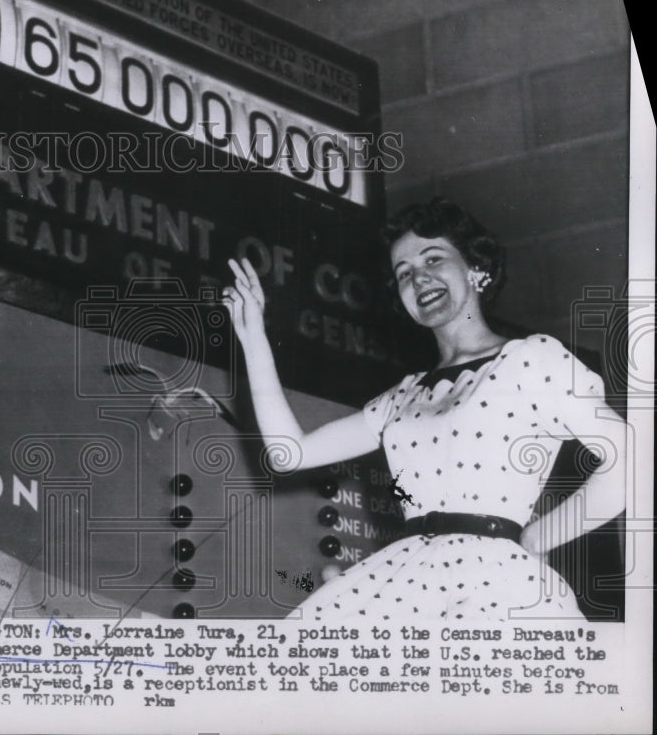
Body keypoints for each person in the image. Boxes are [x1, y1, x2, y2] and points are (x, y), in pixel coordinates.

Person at [222, 198, 627, 621]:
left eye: (434, 258)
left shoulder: (530, 361)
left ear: (475, 269)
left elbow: (631, 463)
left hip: (499, 585)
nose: (420, 277)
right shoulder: (403, 396)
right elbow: (291, 453)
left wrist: (542, 537)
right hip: (404, 582)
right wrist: (254, 339)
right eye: (404, 274)